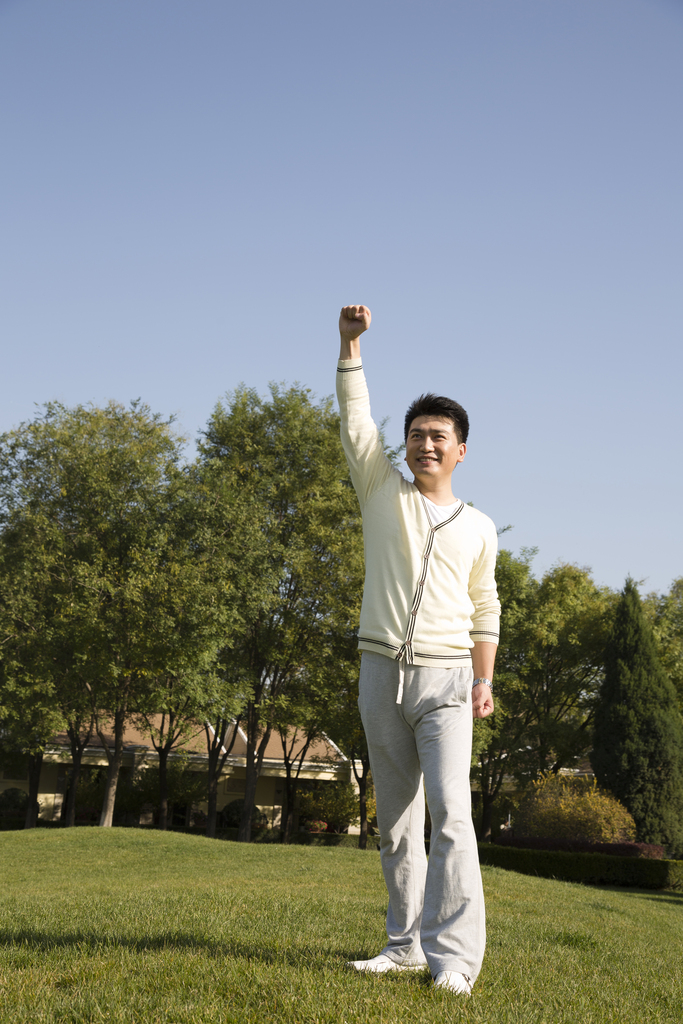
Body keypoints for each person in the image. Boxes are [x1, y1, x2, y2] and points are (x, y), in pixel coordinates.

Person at [337, 304, 500, 996]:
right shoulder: (381, 492)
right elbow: (352, 422)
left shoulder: (478, 526)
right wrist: (349, 347)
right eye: (414, 435)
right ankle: (402, 946)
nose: (423, 445)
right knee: (397, 825)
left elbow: (485, 607)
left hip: (447, 682)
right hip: (380, 674)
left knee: (451, 815)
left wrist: (483, 680)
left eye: (437, 436)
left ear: (460, 448)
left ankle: (455, 960)